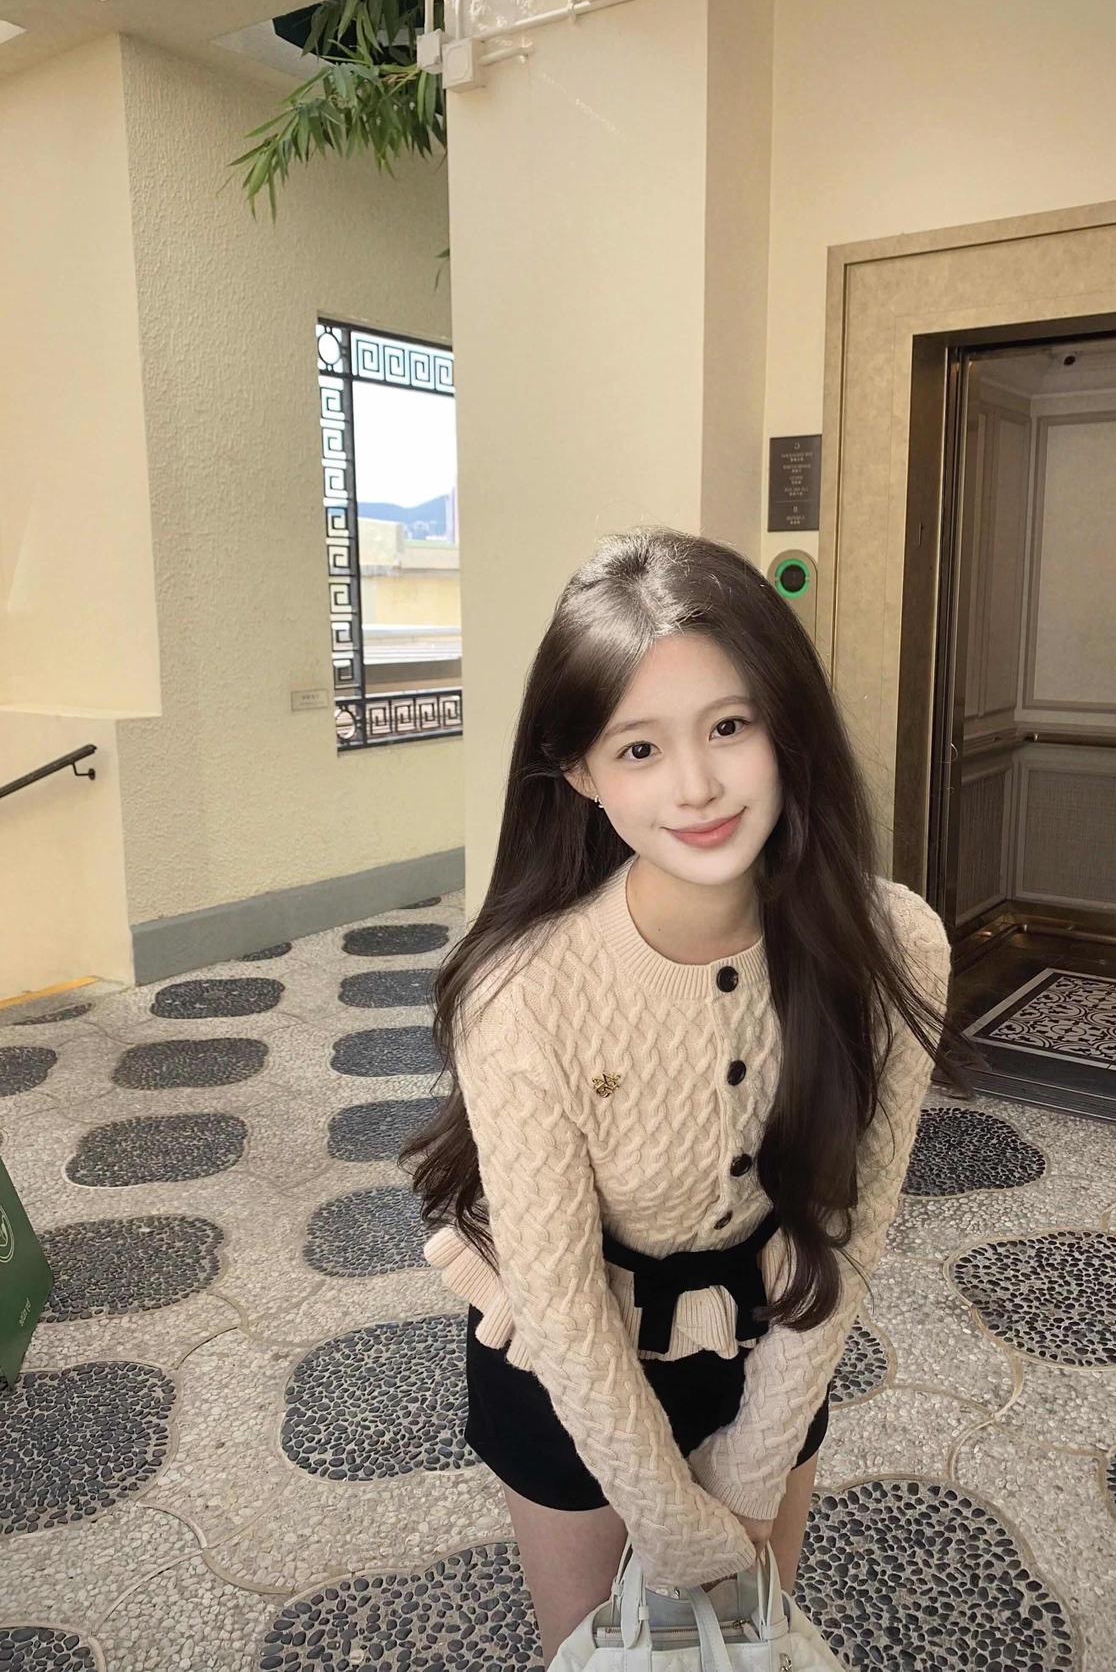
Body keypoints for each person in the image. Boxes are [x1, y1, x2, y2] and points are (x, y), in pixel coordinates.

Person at [400, 526, 978, 1665]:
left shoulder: (896, 942)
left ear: (786, 724)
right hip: (562, 1362)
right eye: (639, 748)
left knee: (746, 1642)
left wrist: (752, 1475)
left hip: (771, 1338)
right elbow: (560, 1298)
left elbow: (851, 1225)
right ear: (579, 772)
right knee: (601, 1650)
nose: (698, 786)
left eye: (728, 726)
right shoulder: (520, 989)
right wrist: (673, 1521)